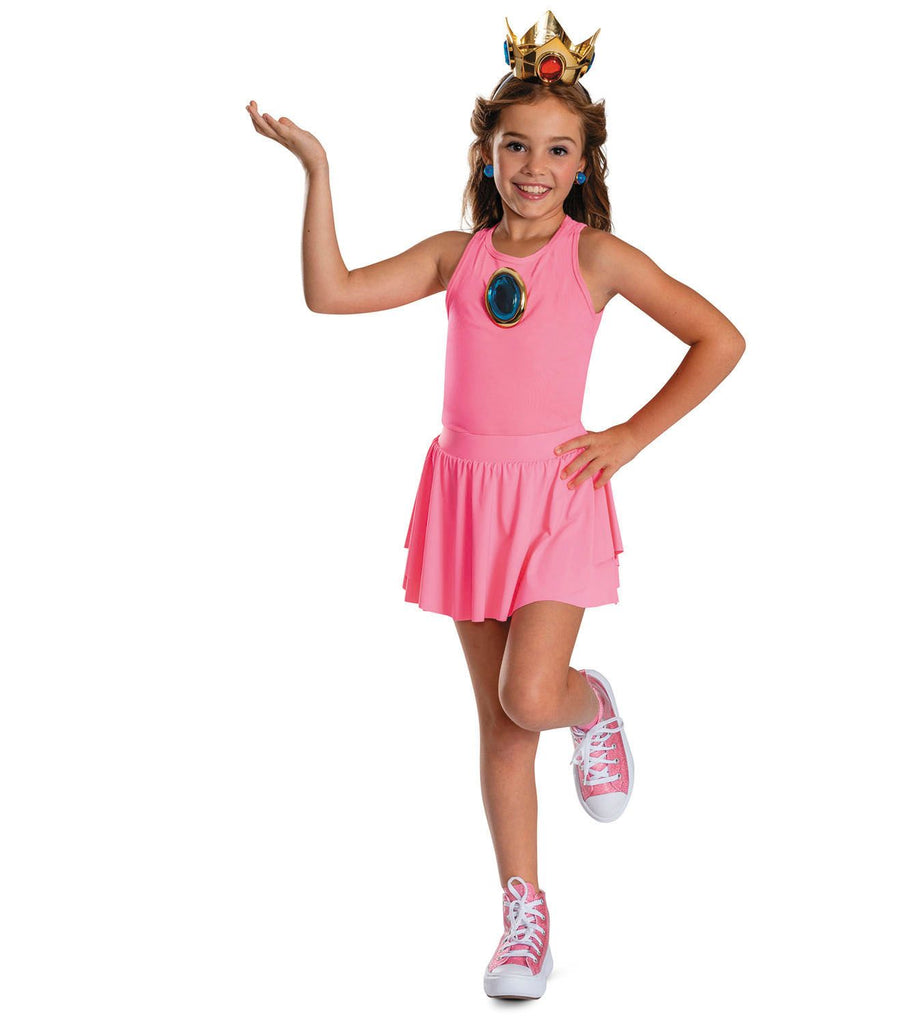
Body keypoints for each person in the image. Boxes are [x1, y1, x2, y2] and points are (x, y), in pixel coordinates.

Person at [245, 10, 745, 1001]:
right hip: (467, 497)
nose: (534, 166)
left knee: (533, 695)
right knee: (503, 725)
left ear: (583, 164)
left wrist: (630, 435)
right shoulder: (456, 255)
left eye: (557, 149)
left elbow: (720, 339)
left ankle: (590, 702)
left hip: (556, 497)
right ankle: (524, 918)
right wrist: (316, 169)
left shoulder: (596, 259)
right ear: (487, 151)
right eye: (517, 145)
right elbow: (329, 293)